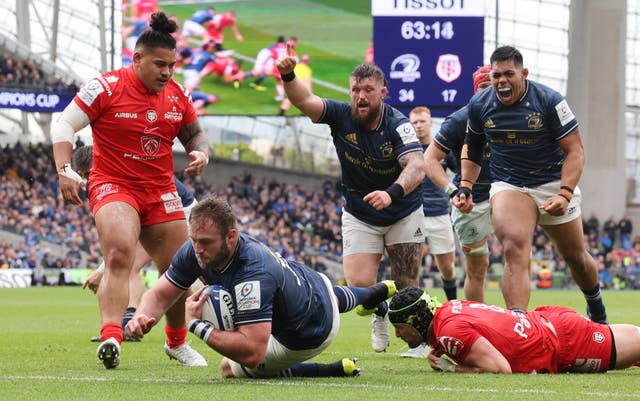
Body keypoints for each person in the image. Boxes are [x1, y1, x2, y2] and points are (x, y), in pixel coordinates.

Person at [51, 12, 210, 369]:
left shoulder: (177, 94)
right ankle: (111, 335)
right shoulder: (105, 88)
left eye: (171, 65)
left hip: (160, 190)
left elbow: (194, 134)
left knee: (178, 270)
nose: (167, 72)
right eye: (159, 64)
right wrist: (65, 170)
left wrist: (201, 151)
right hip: (113, 185)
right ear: (136, 59)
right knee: (120, 254)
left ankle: (176, 342)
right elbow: (63, 124)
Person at [125, 195, 397, 378]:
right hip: (309, 284)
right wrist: (141, 315)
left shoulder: (252, 273)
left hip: (309, 331)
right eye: (194, 239)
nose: (198, 249)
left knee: (229, 369)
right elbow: (160, 293)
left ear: (231, 237)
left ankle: (331, 369)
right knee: (336, 296)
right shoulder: (195, 250)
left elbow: (253, 352)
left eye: (205, 242)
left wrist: (196, 325)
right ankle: (377, 294)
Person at [277, 49, 426, 353]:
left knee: (407, 280)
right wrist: (289, 75)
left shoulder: (398, 124)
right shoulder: (340, 115)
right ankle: (380, 313)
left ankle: (417, 343)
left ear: (383, 92)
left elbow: (417, 166)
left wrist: (391, 193)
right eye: (355, 89)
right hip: (360, 213)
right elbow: (305, 102)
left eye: (368, 90)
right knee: (360, 285)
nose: (360, 96)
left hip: (403, 211)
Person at [458, 45, 607, 322]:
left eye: (508, 74)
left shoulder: (550, 100)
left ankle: (595, 305)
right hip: (510, 185)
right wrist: (465, 185)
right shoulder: (480, 105)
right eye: (496, 76)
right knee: (514, 247)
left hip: (552, 183)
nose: (501, 81)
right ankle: (520, 324)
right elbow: (473, 147)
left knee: (574, 256)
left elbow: (575, 151)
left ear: (524, 74)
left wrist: (564, 194)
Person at [72, 145, 198, 341]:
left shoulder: (124, 171)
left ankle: (184, 334)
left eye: (89, 172)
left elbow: (131, 234)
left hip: (183, 214)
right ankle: (128, 321)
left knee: (178, 272)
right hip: (163, 214)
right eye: (83, 175)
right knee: (134, 267)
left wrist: (100, 270)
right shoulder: (103, 181)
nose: (88, 179)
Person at [389, 286, 640, 374]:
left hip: (560, 343)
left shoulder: (449, 332)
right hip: (548, 324)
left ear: (415, 319)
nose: (399, 335)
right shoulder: (449, 309)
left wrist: (451, 367)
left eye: (400, 327)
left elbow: (500, 369)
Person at [423, 65, 493, 303]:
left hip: (508, 194)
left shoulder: (516, 118)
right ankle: (477, 323)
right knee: (477, 266)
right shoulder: (459, 120)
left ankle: (518, 321)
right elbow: (430, 159)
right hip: (473, 202)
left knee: (518, 254)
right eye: (484, 87)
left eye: (494, 87)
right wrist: (453, 191)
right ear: (475, 91)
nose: (489, 92)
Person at [401, 105, 457, 359]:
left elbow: (462, 170)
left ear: (430, 123)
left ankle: (453, 313)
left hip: (440, 215)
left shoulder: (442, 150)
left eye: (422, 121)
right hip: (414, 214)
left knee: (447, 269)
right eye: (415, 122)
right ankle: (421, 336)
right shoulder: (406, 150)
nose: (419, 125)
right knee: (413, 269)